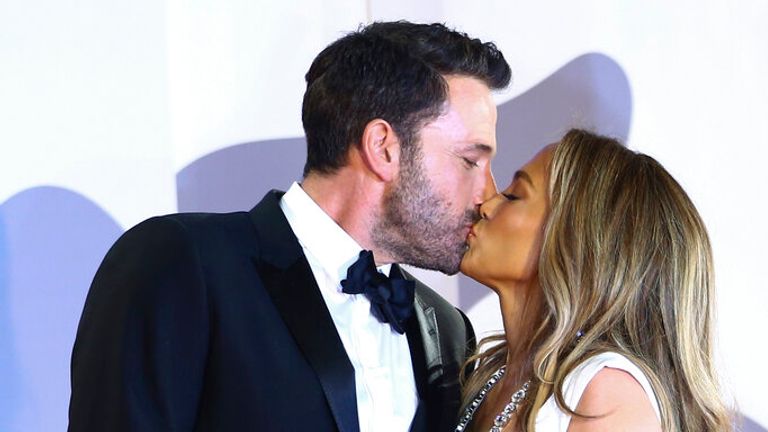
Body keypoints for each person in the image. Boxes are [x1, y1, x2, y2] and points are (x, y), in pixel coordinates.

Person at [67, 21, 511, 432]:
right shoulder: (180, 263)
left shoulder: (447, 328)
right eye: (470, 161)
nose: (488, 193)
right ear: (383, 148)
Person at [456, 129, 732, 431]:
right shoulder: (488, 375)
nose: (487, 206)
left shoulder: (606, 394)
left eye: (514, 196)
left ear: (574, 241)